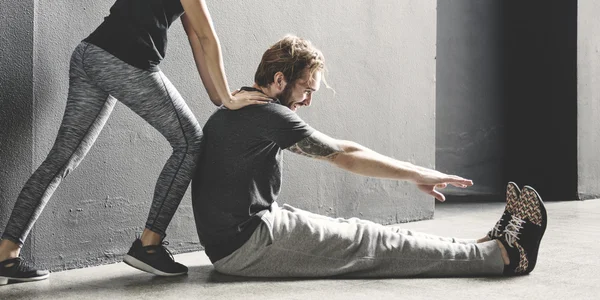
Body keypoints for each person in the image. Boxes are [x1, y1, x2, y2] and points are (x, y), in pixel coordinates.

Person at [191, 35, 548, 278]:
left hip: (246, 233)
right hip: (245, 247)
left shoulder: (242, 104)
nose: (308, 102)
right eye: (306, 90)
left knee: (362, 231)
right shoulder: (267, 115)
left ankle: (481, 247)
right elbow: (344, 155)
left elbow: (342, 149)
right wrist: (418, 173)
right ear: (281, 79)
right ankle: (505, 257)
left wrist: (416, 173)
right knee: (371, 244)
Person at [0, 0, 271, 285]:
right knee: (190, 142)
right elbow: (206, 36)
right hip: (124, 60)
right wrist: (227, 98)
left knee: (62, 158)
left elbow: (195, 36)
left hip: (90, 53)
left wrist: (220, 97)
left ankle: (6, 253)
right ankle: (149, 245)